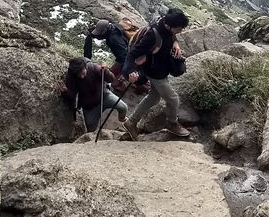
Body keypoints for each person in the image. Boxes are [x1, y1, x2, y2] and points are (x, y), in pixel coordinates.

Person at [120, 8, 190, 140]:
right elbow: (132, 53)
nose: (181, 31)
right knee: (173, 99)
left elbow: (171, 35)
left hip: (161, 69)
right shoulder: (151, 36)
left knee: (154, 98)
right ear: (169, 26)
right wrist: (129, 72)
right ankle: (172, 123)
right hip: (155, 73)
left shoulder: (164, 22)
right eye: (179, 29)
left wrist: (176, 42)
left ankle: (131, 122)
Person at [61, 57, 128, 133]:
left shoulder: (94, 68)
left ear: (85, 67)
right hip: (89, 107)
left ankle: (122, 119)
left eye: (83, 73)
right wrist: (66, 92)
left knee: (123, 107)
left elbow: (111, 79)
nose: (81, 77)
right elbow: (72, 95)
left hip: (104, 96)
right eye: (78, 75)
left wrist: (105, 71)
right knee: (91, 129)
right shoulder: (72, 77)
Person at [83, 19, 140, 95]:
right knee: (110, 74)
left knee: (112, 80)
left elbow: (125, 56)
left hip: (131, 57)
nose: (99, 36)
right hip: (125, 55)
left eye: (99, 33)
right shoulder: (113, 27)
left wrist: (125, 72)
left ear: (104, 32)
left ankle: (137, 85)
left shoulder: (114, 39)